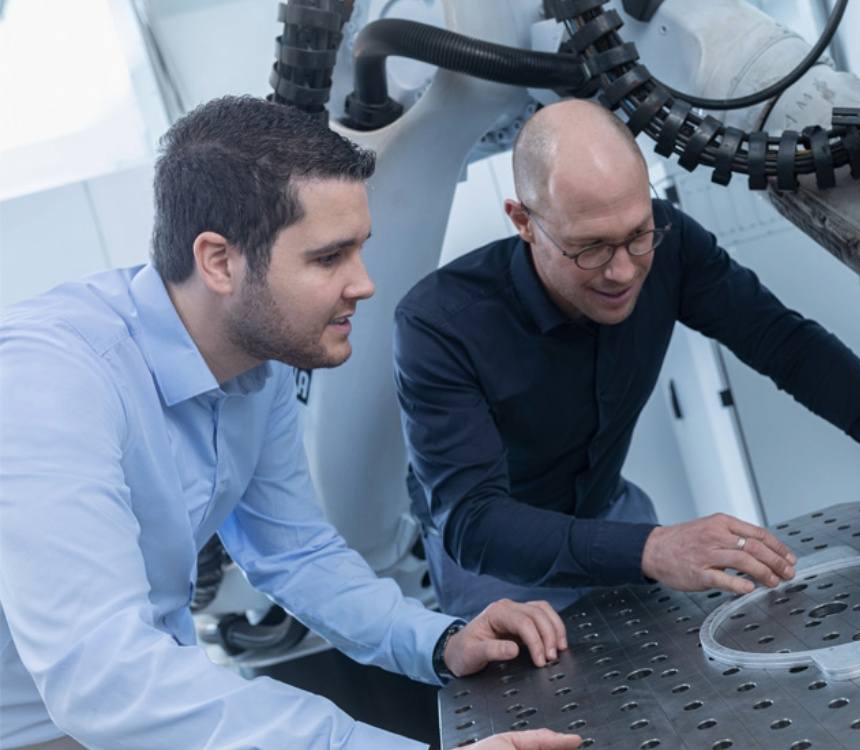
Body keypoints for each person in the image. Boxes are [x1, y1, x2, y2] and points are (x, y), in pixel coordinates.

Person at [0, 96, 580, 750]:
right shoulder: (49, 381)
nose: (363, 284)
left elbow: (295, 552)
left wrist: (441, 641)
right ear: (218, 261)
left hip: (132, 702)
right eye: (328, 258)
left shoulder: (257, 365)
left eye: (359, 251)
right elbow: (99, 676)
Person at [393, 98, 860, 619]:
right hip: (497, 562)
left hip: (610, 510)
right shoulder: (439, 325)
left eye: (636, 235)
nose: (624, 271)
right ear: (522, 220)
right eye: (590, 247)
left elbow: (784, 343)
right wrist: (655, 547)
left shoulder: (672, 244)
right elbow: (473, 522)